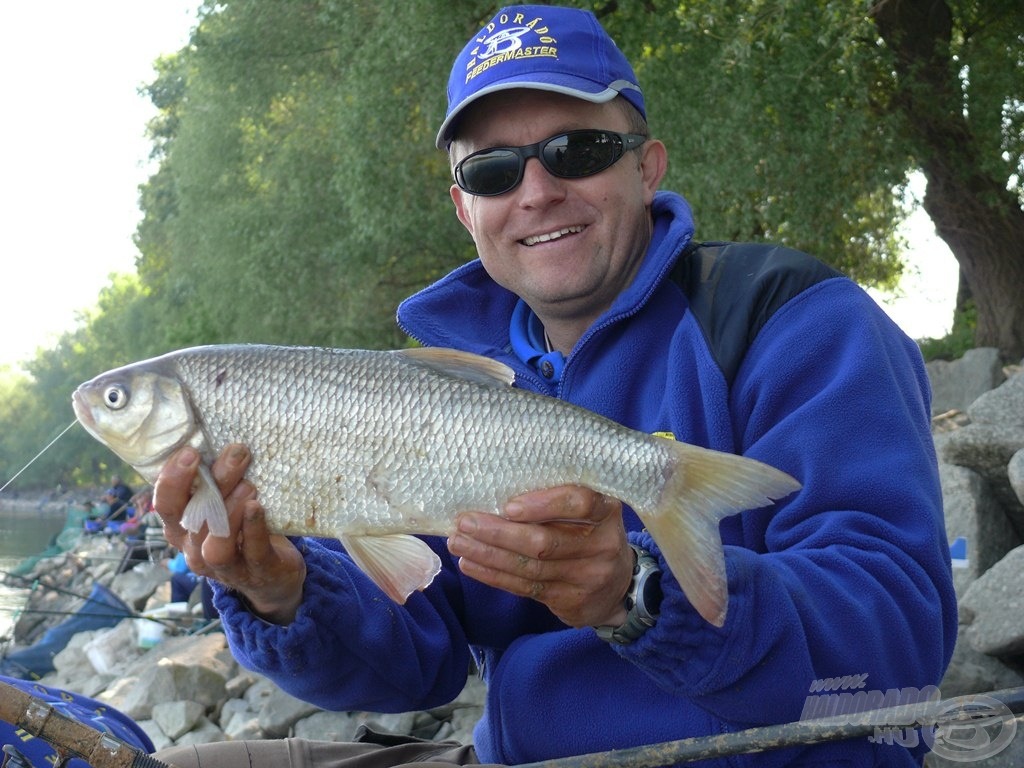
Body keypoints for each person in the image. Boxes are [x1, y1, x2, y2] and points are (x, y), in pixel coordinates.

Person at [152, 6, 957, 767]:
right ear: (465, 209)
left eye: (578, 151)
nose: (536, 191)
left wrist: (635, 594)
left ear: (647, 167)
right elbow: (413, 666)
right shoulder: (435, 390)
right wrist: (279, 591)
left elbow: (898, 654)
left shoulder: (791, 320)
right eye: (494, 170)